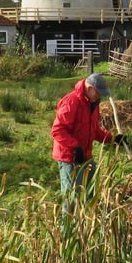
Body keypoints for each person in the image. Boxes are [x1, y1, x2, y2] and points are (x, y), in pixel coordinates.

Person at [52, 72, 115, 212]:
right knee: (71, 198)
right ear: (90, 88)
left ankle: (87, 227)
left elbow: (94, 131)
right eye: (98, 93)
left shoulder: (93, 105)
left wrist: (113, 139)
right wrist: (75, 147)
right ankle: (66, 231)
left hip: (86, 156)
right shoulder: (71, 102)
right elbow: (57, 130)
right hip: (69, 157)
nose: (99, 96)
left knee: (90, 192)